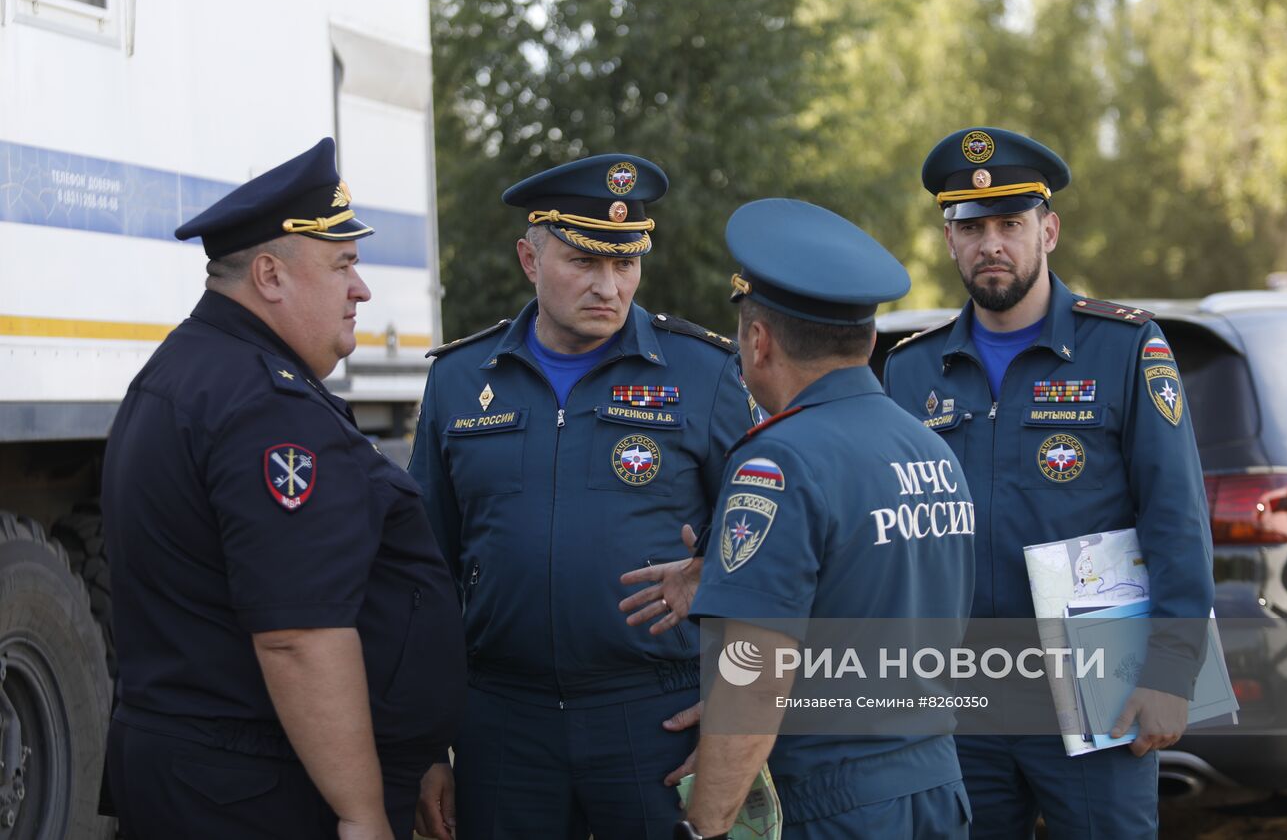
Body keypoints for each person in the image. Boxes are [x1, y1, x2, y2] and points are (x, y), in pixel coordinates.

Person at [101, 137, 467, 840]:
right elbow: (298, 636)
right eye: (342, 264)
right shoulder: (266, 405)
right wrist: (362, 812)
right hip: (256, 791)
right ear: (270, 275)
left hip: (203, 774)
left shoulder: (187, 370)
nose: (361, 289)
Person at [408, 153, 756, 840]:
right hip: (501, 720)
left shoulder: (705, 372)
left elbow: (770, 550)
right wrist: (422, 744)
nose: (608, 286)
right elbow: (423, 573)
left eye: (625, 263)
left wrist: (735, 716)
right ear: (529, 260)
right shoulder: (459, 380)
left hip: (655, 715)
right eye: (583, 261)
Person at [882, 127, 1214, 838]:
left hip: (1100, 681)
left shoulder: (1124, 348)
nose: (991, 244)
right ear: (949, 240)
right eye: (972, 228)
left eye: (1010, 224)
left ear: (1049, 231)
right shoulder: (911, 370)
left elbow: (1176, 518)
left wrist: (1172, 671)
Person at [678, 198, 976, 840]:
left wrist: (704, 827)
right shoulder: (932, 449)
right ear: (867, 339)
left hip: (834, 803)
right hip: (935, 788)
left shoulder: (778, 462)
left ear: (759, 341)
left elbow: (755, 681)